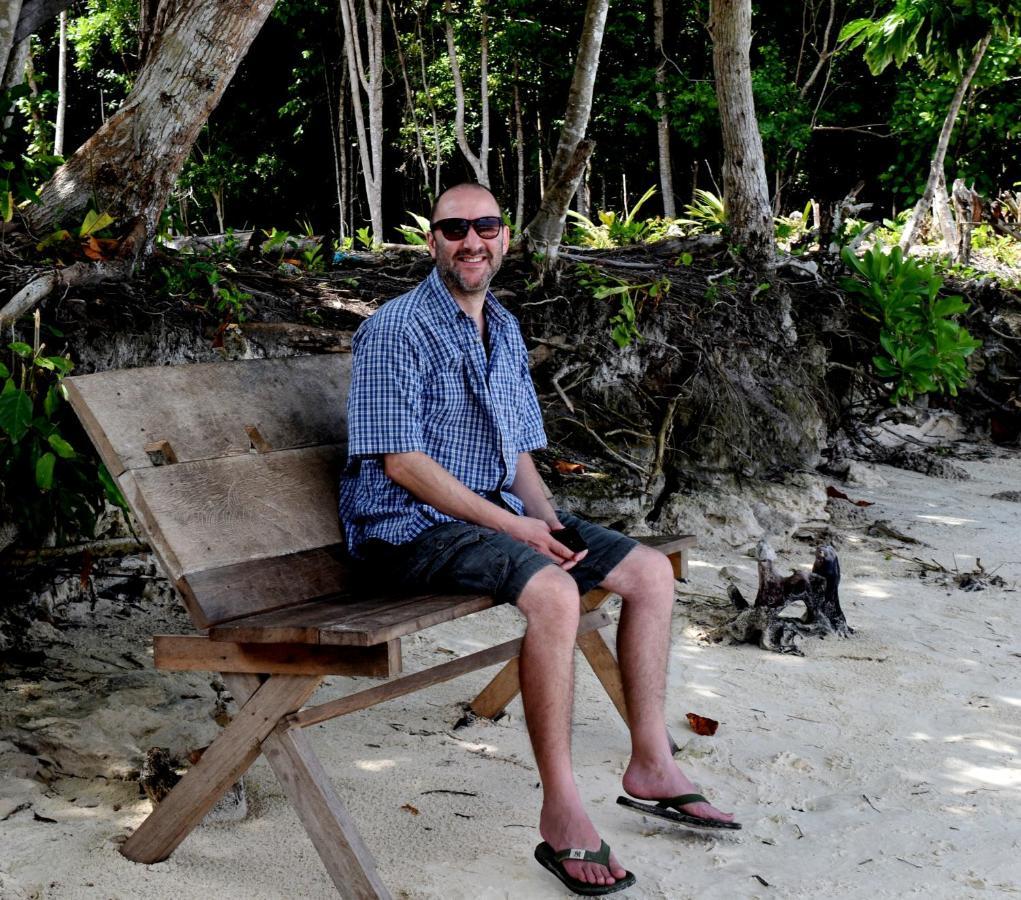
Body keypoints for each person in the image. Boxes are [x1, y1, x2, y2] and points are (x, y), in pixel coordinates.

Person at [339, 183, 737, 895]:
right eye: (453, 229)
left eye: (484, 226)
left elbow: (515, 452)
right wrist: (517, 530)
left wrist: (546, 521)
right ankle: (561, 813)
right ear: (431, 241)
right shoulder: (396, 329)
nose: (471, 241)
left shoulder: (503, 325)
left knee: (646, 572)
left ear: (504, 237)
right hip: (402, 530)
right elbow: (400, 463)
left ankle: (649, 762)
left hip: (489, 513)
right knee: (553, 593)